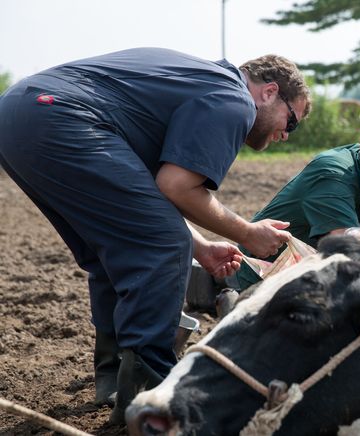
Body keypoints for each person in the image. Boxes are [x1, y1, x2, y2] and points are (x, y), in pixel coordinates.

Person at [0, 47, 311, 424]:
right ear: (269, 91)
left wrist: (203, 246)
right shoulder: (233, 100)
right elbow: (178, 187)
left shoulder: (195, 83)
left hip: (18, 112)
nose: (285, 136)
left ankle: (113, 377)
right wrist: (247, 233)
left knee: (115, 247)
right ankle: (150, 394)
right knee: (163, 246)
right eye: (291, 122)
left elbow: (149, 195)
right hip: (61, 115)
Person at [235, 114, 360, 290]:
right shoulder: (332, 172)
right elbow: (346, 241)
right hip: (259, 276)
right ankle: (221, 287)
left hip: (322, 281)